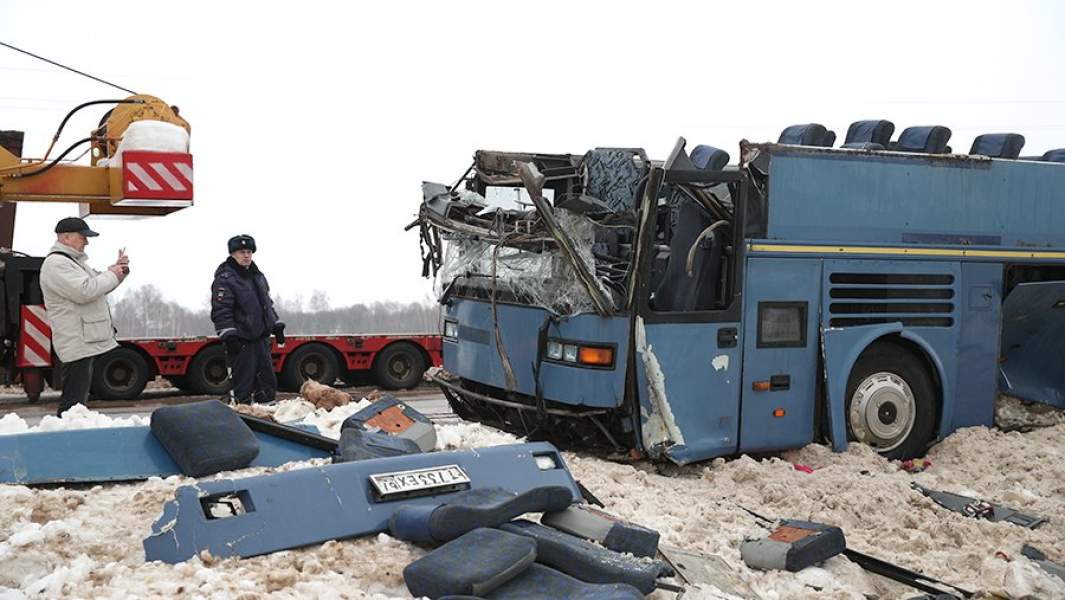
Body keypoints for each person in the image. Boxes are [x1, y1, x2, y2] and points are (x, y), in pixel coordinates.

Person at [40, 217, 129, 416]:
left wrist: (118, 272)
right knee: (73, 403)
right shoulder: (57, 264)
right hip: (76, 341)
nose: (87, 242)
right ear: (66, 237)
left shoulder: (72, 263)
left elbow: (98, 285)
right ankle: (66, 439)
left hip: (83, 339)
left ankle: (69, 436)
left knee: (77, 402)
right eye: (83, 237)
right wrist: (112, 274)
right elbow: (85, 290)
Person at [210, 234, 285, 404]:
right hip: (241, 341)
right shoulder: (225, 279)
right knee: (243, 384)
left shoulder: (257, 276)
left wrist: (276, 324)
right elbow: (221, 310)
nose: (246, 255)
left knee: (267, 383)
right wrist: (228, 334)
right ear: (232, 254)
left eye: (249, 252)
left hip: (261, 340)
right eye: (242, 252)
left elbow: (266, 304)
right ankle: (241, 417)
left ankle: (266, 416)